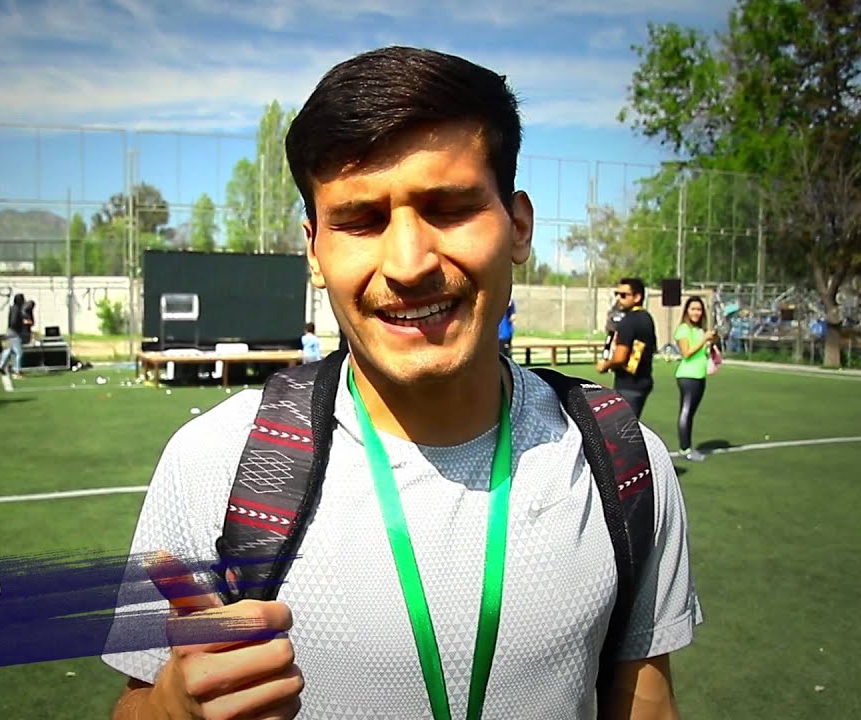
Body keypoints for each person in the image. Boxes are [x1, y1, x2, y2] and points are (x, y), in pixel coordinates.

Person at [103, 46, 700, 720]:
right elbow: (135, 706)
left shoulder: (623, 461)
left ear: (519, 227)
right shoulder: (212, 462)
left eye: (449, 208)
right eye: (361, 220)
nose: (409, 264)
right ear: (315, 250)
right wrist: (173, 709)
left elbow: (646, 702)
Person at [596, 278, 657, 418]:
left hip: (628, 385)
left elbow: (620, 357)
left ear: (637, 297)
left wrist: (605, 365)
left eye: (623, 295)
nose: (618, 298)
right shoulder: (647, 318)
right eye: (616, 294)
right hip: (643, 380)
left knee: (622, 427)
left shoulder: (627, 322)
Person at [673, 296, 719, 462]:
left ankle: (687, 446)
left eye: (699, 309)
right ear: (687, 311)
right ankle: (685, 449)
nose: (696, 312)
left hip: (699, 375)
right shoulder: (683, 329)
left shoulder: (700, 330)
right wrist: (704, 339)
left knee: (690, 413)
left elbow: (703, 351)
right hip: (687, 376)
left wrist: (712, 341)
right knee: (686, 411)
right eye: (693, 309)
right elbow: (687, 353)